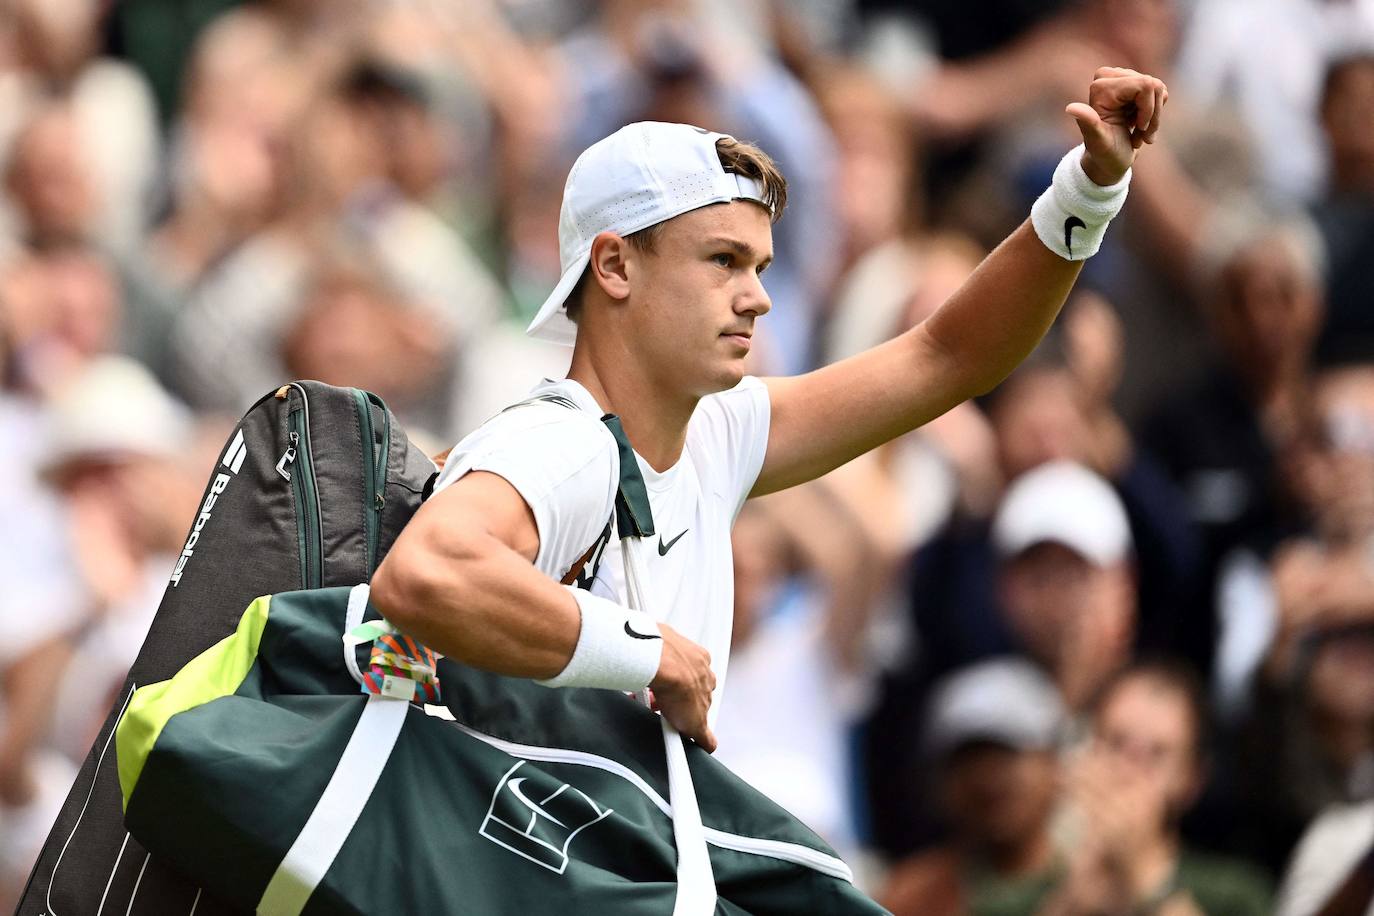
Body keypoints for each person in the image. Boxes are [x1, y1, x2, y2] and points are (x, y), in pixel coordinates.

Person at [370, 66, 1167, 770]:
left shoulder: (717, 435)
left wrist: (1088, 193)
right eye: (722, 260)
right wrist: (656, 658)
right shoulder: (563, 439)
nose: (757, 296)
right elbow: (427, 571)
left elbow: (948, 357)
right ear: (614, 266)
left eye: (760, 266)